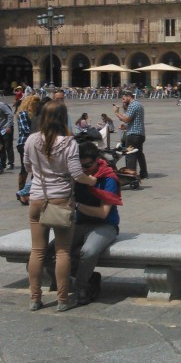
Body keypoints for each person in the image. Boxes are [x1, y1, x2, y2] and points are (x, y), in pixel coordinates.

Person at [25, 100, 99, 312]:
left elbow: (28, 167)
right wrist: (91, 180)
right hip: (61, 201)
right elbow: (77, 174)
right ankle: (63, 300)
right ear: (62, 118)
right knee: (63, 251)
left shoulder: (31, 140)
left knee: (37, 251)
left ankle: (35, 298)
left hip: (37, 199)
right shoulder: (69, 143)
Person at [71, 142, 122, 305]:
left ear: (97, 160)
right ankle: (89, 277)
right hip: (81, 223)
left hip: (105, 225)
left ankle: (81, 287)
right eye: (81, 166)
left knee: (89, 251)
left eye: (88, 165)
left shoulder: (108, 178)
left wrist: (77, 206)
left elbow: (103, 213)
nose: (84, 169)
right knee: (51, 252)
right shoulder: (78, 176)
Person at [114, 89, 148, 179]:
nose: (122, 100)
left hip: (133, 134)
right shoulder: (139, 104)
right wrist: (125, 127)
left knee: (130, 154)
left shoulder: (132, 105)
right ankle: (144, 172)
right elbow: (134, 121)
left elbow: (126, 119)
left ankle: (131, 175)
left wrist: (117, 112)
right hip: (140, 133)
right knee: (139, 153)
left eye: (123, 98)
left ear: (128, 97)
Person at [15, 94, 41, 186]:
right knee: (24, 168)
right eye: (35, 104)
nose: (37, 106)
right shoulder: (23, 114)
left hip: (35, 143)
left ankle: (32, 188)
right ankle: (21, 189)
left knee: (36, 168)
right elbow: (25, 129)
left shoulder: (36, 115)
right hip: (24, 143)